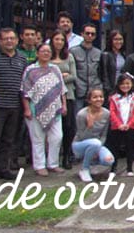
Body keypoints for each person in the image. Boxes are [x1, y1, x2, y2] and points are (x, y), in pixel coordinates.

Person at [0, 27, 27, 187]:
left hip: (14, 105)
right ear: (0, 41)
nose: (9, 41)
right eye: (6, 38)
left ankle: (3, 169)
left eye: (12, 38)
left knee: (8, 140)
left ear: (16, 40)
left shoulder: (21, 58)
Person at [21, 43, 67, 176]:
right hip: (35, 109)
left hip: (55, 109)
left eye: (48, 51)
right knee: (38, 139)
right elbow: (24, 91)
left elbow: (62, 89)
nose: (46, 53)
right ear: (37, 53)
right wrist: (27, 109)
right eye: (43, 51)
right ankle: (39, 165)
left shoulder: (55, 69)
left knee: (57, 137)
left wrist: (64, 104)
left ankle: (53, 163)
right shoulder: (30, 70)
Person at [72, 88, 114, 183]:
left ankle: (91, 163)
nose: (98, 99)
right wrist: (90, 126)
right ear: (89, 100)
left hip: (97, 144)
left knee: (109, 160)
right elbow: (82, 136)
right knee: (95, 143)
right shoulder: (82, 114)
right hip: (79, 144)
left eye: (101, 97)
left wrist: (98, 148)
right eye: (95, 97)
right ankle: (84, 169)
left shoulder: (106, 113)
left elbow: (103, 135)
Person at [50, 31, 77, 169]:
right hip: (49, 97)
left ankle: (66, 156)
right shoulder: (47, 56)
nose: (59, 42)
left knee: (68, 127)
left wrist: (55, 77)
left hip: (69, 95)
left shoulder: (69, 56)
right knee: (51, 129)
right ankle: (51, 159)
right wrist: (61, 76)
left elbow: (73, 76)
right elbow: (43, 76)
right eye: (56, 39)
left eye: (62, 39)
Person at [107, 73, 134, 176]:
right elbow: (112, 112)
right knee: (115, 148)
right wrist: (119, 124)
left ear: (131, 84)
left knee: (130, 148)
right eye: (122, 84)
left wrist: (130, 124)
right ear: (118, 85)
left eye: (127, 83)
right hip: (117, 127)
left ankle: (129, 169)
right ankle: (113, 168)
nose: (125, 86)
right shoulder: (114, 98)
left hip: (130, 127)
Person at [70, 23, 105, 112]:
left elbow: (101, 71)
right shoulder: (73, 51)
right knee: (78, 118)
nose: (90, 36)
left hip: (94, 89)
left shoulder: (98, 53)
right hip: (79, 90)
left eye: (92, 34)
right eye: (87, 33)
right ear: (82, 34)